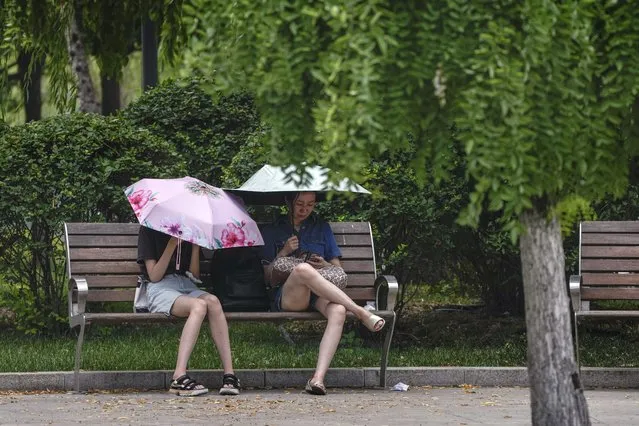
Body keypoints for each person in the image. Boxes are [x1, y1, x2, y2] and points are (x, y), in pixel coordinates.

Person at [260, 191, 385, 395]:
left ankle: (317, 379)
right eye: (300, 204)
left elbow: (336, 267)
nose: (304, 209)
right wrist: (284, 251)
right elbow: (266, 276)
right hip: (291, 295)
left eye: (310, 205)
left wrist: (324, 264)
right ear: (288, 202)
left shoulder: (322, 228)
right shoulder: (272, 230)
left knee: (338, 311)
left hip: (319, 292)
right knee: (302, 270)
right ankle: (361, 312)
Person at [137, 226, 240, 396]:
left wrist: (194, 245)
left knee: (213, 302)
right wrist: (171, 245)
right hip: (160, 288)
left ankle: (230, 375)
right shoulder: (148, 230)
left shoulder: (187, 228)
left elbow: (194, 275)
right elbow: (154, 276)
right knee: (198, 306)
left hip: (185, 284)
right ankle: (178, 376)